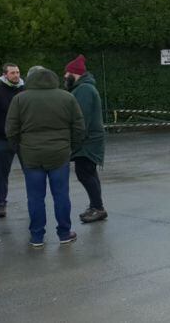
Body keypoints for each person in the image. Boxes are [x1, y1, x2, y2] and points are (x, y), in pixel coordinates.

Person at [6, 66, 84, 247]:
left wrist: (20, 148)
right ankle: (64, 233)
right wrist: (71, 147)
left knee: (35, 197)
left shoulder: (19, 99)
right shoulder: (67, 97)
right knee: (61, 195)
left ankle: (37, 236)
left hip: (31, 155)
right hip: (60, 153)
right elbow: (79, 127)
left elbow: (11, 130)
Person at [64, 55, 108, 223]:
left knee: (85, 173)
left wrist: (75, 141)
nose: (64, 76)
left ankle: (98, 208)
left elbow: (80, 119)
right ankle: (96, 206)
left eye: (66, 73)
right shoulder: (83, 88)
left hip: (87, 141)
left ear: (74, 73)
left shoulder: (84, 90)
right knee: (89, 173)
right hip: (90, 139)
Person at [0, 63, 24, 218]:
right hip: (3, 140)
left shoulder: (24, 90)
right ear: (5, 74)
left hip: (22, 139)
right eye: (13, 72)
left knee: (31, 171)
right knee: (2, 175)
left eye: (18, 72)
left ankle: (33, 200)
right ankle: (1, 203)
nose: (16, 75)